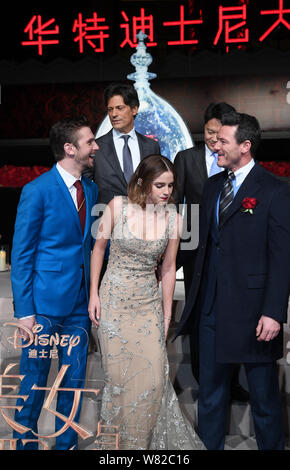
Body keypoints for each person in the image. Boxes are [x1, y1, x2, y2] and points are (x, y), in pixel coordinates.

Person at [175, 111, 290, 450]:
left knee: (265, 401)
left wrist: (273, 312)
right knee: (210, 396)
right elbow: (201, 245)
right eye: (214, 140)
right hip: (211, 311)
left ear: (246, 146)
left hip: (255, 314)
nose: (215, 147)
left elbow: (282, 258)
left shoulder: (274, 191)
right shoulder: (211, 187)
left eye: (223, 141)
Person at [88, 154, 205, 450]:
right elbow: (98, 249)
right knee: (120, 385)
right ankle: (120, 448)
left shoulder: (174, 219)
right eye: (160, 185)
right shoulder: (118, 206)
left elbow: (168, 268)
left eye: (171, 186)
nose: (167, 192)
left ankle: (142, 446)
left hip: (148, 306)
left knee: (153, 382)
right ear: (142, 183)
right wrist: (93, 294)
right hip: (113, 302)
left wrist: (167, 316)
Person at [10, 116, 99, 450]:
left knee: (72, 382)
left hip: (79, 303)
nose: (95, 147)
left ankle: (67, 445)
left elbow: (86, 246)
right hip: (43, 307)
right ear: (69, 148)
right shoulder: (37, 190)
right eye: (90, 142)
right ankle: (24, 444)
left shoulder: (90, 189)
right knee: (33, 381)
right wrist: (25, 311)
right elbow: (21, 255)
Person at [174, 102, 249, 402]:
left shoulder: (235, 159)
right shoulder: (186, 158)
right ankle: (204, 380)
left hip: (231, 253)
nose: (214, 140)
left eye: (220, 134)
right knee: (197, 315)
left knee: (230, 317)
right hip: (194, 252)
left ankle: (229, 382)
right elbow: (173, 205)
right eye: (209, 132)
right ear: (202, 128)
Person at [84, 82, 160, 206]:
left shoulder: (151, 147)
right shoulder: (96, 147)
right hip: (108, 220)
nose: (114, 114)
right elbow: (85, 188)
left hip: (145, 219)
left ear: (134, 109)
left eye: (120, 108)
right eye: (110, 109)